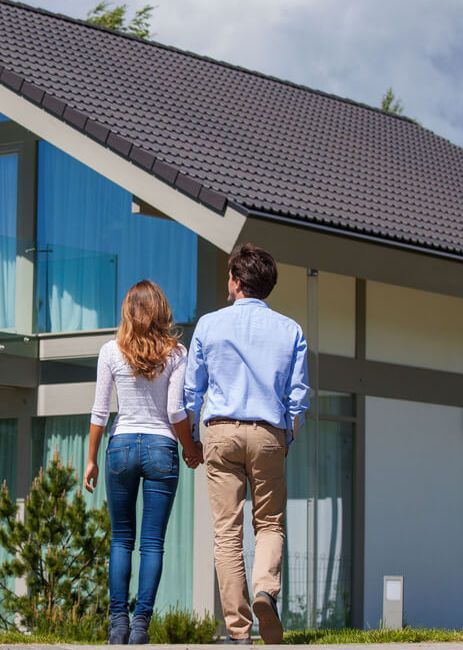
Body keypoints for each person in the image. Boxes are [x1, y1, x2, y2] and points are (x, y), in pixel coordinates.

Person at [184, 243, 309, 645]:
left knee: (227, 531)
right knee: (269, 523)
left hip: (220, 431)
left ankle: (238, 632)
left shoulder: (208, 325)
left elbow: (192, 389)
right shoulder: (290, 330)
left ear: (237, 282)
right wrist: (286, 435)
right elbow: (299, 396)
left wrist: (192, 436)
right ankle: (264, 591)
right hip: (267, 431)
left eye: (229, 276)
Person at [84, 280, 203, 645]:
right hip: (161, 448)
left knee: (121, 539)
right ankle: (140, 627)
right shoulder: (176, 353)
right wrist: (190, 447)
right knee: (152, 543)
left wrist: (91, 459)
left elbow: (100, 411)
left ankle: (117, 624)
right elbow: (174, 410)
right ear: (160, 310)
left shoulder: (110, 351)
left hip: (120, 447)